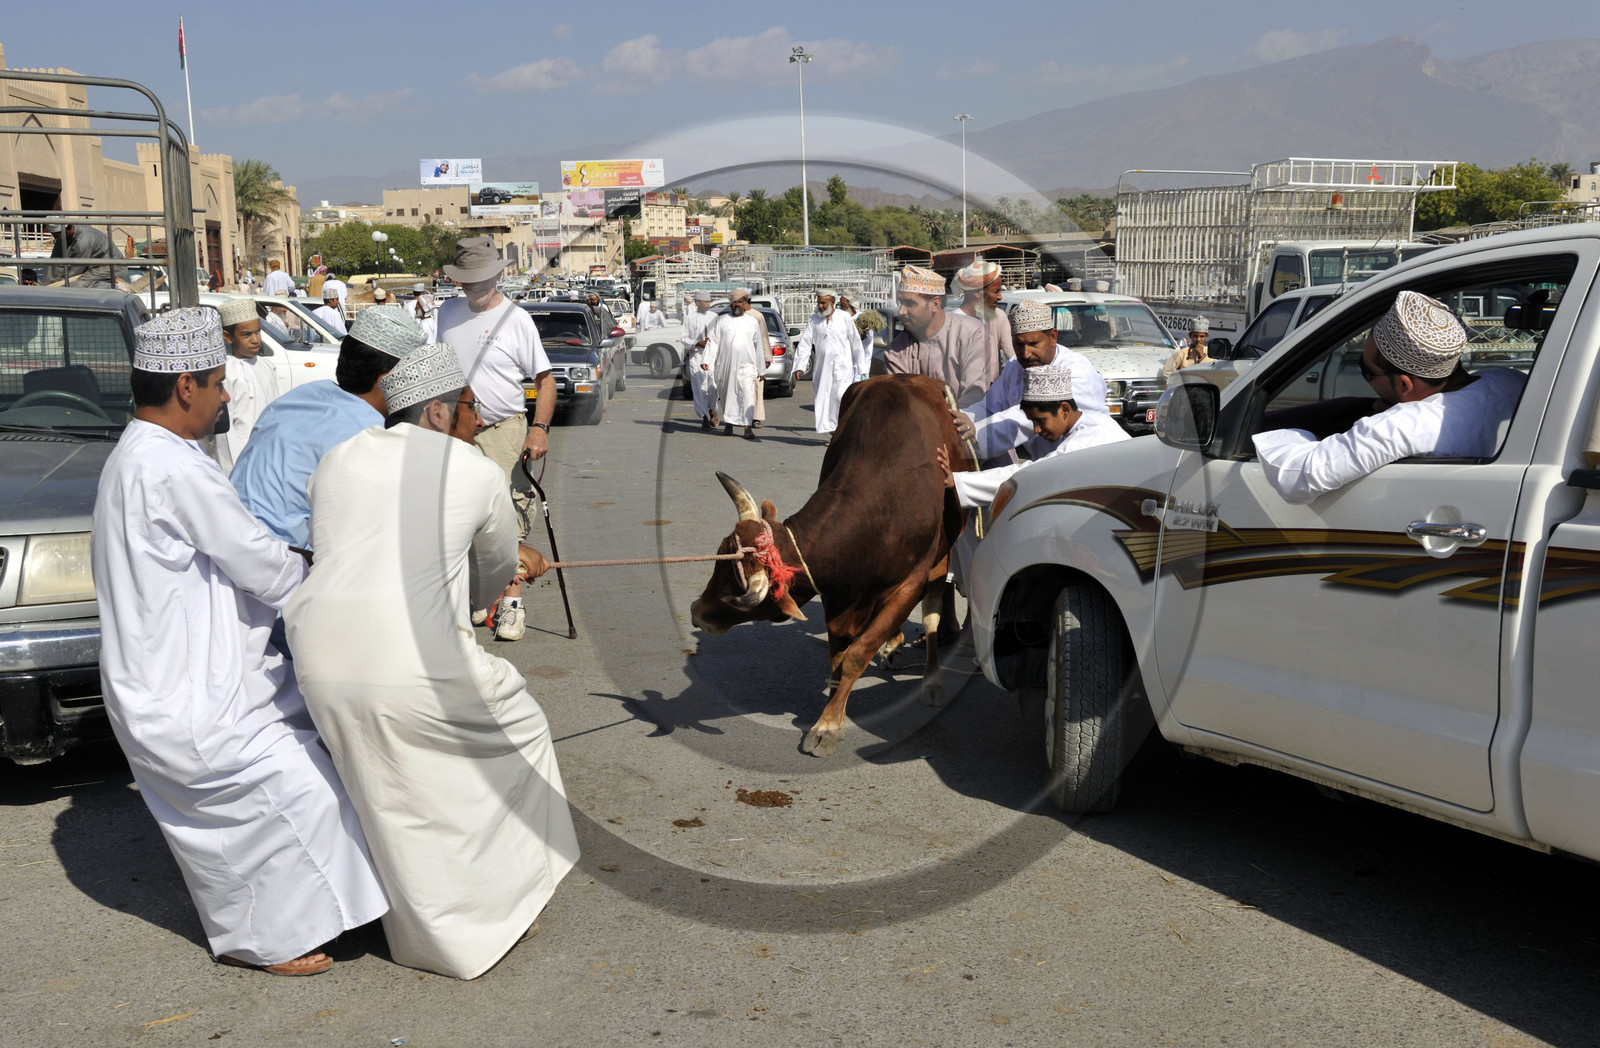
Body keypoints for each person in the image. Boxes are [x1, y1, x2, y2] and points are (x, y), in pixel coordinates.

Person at [91, 307, 387, 977]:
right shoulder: (172, 467)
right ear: (187, 386)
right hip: (190, 694)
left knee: (312, 777)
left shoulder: (140, 454)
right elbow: (259, 563)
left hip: (173, 677)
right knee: (299, 789)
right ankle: (269, 937)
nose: (228, 397)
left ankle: (323, 913)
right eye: (220, 384)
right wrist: (337, 576)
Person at [286, 342, 578, 981]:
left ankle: (403, 913)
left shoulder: (337, 459)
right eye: (472, 408)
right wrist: (517, 569)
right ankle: (488, 911)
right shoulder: (471, 470)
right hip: (413, 664)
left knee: (393, 788)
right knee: (520, 731)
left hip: (318, 657)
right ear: (439, 414)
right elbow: (494, 571)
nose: (479, 421)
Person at [1253, 290, 1525, 504]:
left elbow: (1297, 479)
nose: (1367, 380)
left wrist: (1267, 434)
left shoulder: (1405, 425)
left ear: (1405, 385)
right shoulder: (1507, 380)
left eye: (1367, 372)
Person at [435, 237, 556, 641]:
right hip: (457, 430)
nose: (476, 288)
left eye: (484, 279)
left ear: (499, 274)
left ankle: (512, 604)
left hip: (505, 429)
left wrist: (538, 429)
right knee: (462, 514)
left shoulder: (516, 318)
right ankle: (480, 594)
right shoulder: (446, 313)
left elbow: (545, 380)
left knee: (509, 516)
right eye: (469, 281)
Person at [233, 304, 427, 548]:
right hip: (282, 564)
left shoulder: (296, 399)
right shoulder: (371, 438)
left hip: (231, 540)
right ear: (389, 380)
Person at [938, 364, 1130, 509]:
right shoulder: (1092, 420)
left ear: (1064, 409)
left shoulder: (1088, 440)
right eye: (1033, 423)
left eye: (1040, 421)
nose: (1036, 431)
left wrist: (958, 482)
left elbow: (1033, 474)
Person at [952, 301, 1112, 463]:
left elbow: (1027, 419)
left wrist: (977, 435)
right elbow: (989, 406)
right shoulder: (1015, 366)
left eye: (1033, 344)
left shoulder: (1075, 370)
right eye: (1019, 344)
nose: (1026, 353)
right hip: (1047, 464)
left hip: (1088, 459)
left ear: (1053, 337)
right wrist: (958, 419)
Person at [880, 265, 991, 407]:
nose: (901, 311)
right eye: (901, 302)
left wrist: (955, 419)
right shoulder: (896, 351)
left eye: (909, 303)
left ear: (935, 304)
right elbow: (902, 403)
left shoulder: (971, 333)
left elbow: (975, 394)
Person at [215, 298, 283, 476]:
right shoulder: (225, 374)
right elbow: (226, 435)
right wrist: (236, 473)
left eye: (258, 332)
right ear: (228, 336)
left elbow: (279, 414)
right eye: (246, 334)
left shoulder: (267, 367)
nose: (255, 339)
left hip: (269, 459)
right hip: (241, 463)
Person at [793, 288, 867, 436]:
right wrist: (800, 366)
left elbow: (856, 343)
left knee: (840, 396)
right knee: (824, 400)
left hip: (843, 367)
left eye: (823, 303)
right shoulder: (814, 320)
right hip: (823, 368)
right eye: (819, 303)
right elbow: (805, 343)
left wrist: (862, 369)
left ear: (832, 303)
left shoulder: (844, 318)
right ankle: (833, 431)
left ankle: (839, 429)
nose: (820, 306)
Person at [706, 288, 768, 440]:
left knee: (747, 395)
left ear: (745, 303)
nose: (737, 305)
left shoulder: (752, 321)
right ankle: (729, 424)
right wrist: (706, 360)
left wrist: (761, 369)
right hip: (725, 367)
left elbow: (758, 346)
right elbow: (713, 342)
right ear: (731, 304)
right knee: (727, 396)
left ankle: (747, 428)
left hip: (747, 366)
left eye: (740, 302)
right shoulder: (721, 321)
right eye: (734, 302)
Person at [955, 260, 1013, 386]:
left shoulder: (998, 316)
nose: (1000, 297)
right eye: (996, 291)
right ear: (977, 292)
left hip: (993, 393)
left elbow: (1013, 356)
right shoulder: (953, 324)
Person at [681, 289, 720, 429]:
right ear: (698, 303)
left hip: (711, 358)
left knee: (712, 386)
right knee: (698, 388)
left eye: (709, 301)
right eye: (706, 302)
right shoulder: (689, 318)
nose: (708, 304)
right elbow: (684, 338)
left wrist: (710, 341)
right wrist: (697, 343)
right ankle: (703, 416)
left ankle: (713, 410)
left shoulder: (714, 317)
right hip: (696, 357)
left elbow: (719, 336)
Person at [45, 221, 122, 288]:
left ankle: (114, 287)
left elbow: (74, 274)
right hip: (91, 265)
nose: (57, 239)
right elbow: (54, 265)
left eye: (57, 236)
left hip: (109, 267)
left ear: (65, 231)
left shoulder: (83, 242)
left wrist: (58, 286)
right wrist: (46, 287)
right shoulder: (63, 236)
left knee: (75, 285)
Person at [1161, 316, 1211, 381]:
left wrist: (1202, 356)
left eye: (1202, 336)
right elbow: (1166, 372)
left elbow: (1210, 372)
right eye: (1195, 336)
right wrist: (1181, 383)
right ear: (1190, 336)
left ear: (1206, 337)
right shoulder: (1182, 353)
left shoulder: (1211, 353)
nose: (1198, 339)